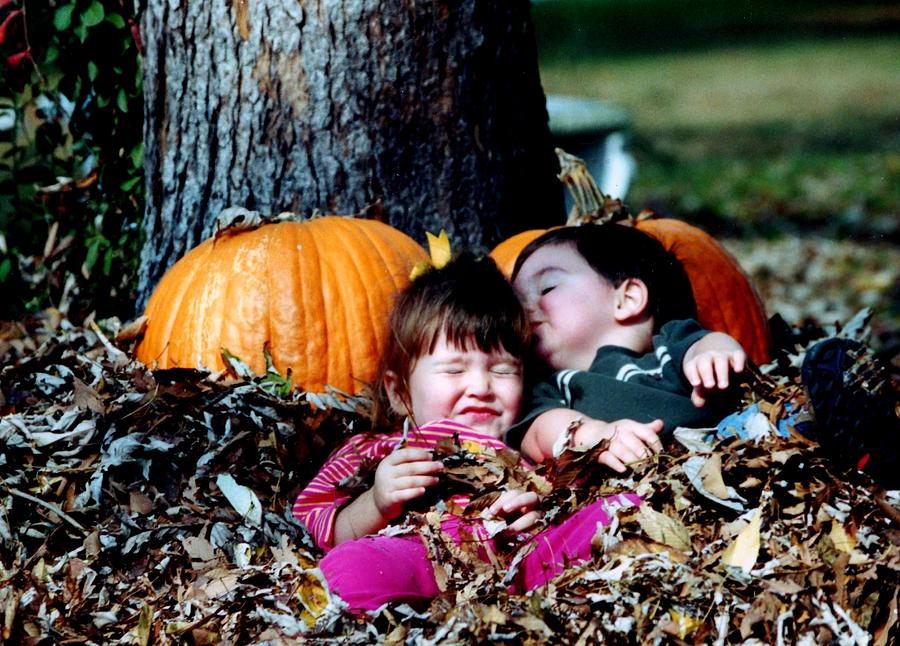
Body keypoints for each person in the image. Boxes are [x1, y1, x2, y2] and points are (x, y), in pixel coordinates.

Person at [292, 253, 640, 613]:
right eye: (454, 370)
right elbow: (316, 522)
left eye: (503, 371)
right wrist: (376, 502)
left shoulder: (525, 443)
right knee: (352, 568)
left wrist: (538, 506)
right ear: (400, 393)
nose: (480, 386)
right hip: (418, 559)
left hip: (526, 563)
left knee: (620, 513)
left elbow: (570, 494)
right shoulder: (377, 450)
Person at [507, 224, 748, 470]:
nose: (524, 311)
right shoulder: (552, 386)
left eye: (547, 288)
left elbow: (707, 343)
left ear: (628, 299)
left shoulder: (669, 346)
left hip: (724, 461)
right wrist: (593, 436)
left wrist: (715, 355)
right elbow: (538, 431)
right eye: (517, 302)